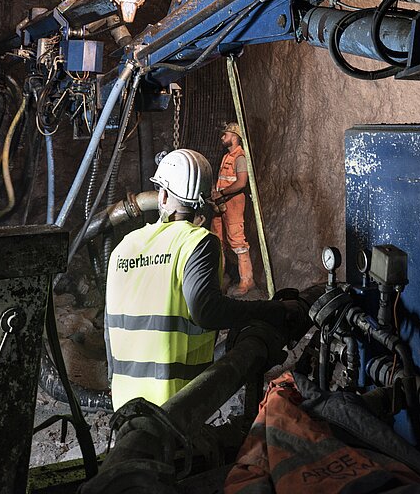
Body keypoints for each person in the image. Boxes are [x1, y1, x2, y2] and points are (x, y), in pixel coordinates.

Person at [104, 148, 294, 410]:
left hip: (124, 399)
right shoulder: (197, 243)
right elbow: (207, 311)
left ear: (163, 194)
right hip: (175, 399)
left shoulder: (124, 246)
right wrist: (270, 310)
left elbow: (108, 328)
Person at [211, 121, 256, 295]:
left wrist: (221, 193)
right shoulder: (226, 157)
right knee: (218, 242)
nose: (223, 137)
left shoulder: (240, 157)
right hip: (220, 205)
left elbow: (242, 182)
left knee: (237, 242)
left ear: (235, 137)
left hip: (233, 204)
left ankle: (247, 281)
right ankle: (220, 280)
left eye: (226, 134)